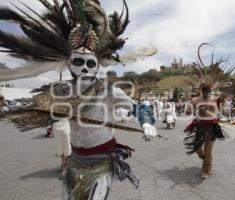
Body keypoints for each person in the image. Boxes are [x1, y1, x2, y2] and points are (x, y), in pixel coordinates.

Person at [0, 1, 156, 199]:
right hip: (76, 162)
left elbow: (137, 107)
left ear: (97, 66)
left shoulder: (108, 91)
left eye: (90, 63)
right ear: (69, 64)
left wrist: (147, 121)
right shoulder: (62, 92)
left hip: (102, 162)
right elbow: (37, 109)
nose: (84, 68)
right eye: (78, 62)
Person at [183, 43, 234, 179]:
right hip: (199, 126)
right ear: (201, 90)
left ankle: (205, 169)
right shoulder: (196, 100)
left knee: (209, 149)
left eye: (208, 89)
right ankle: (205, 159)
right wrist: (189, 104)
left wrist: (223, 106)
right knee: (198, 149)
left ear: (210, 90)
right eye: (204, 89)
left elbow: (223, 111)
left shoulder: (215, 99)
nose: (206, 91)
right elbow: (188, 113)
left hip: (212, 126)